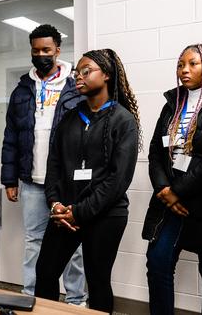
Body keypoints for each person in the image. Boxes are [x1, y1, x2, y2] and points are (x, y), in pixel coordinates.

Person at [35, 48, 140, 313]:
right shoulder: (69, 117)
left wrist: (79, 212)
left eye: (86, 71)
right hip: (65, 212)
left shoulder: (123, 120)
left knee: (98, 280)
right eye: (76, 72)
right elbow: (54, 166)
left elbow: (118, 179)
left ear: (106, 75)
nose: (78, 77)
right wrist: (55, 203)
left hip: (105, 214)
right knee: (45, 271)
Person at [0, 24, 87, 304]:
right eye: (36, 50)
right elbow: (11, 137)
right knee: (34, 241)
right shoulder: (22, 90)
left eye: (46, 50)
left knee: (73, 245)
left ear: (58, 51)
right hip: (33, 181)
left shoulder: (76, 87)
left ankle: (76, 300)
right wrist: (10, 179)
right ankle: (30, 297)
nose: (41, 55)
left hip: (67, 182)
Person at [142, 44, 202, 315]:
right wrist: (163, 189)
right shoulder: (173, 102)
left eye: (193, 64)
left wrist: (176, 191)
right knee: (158, 262)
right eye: (181, 64)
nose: (184, 70)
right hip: (169, 199)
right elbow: (156, 151)